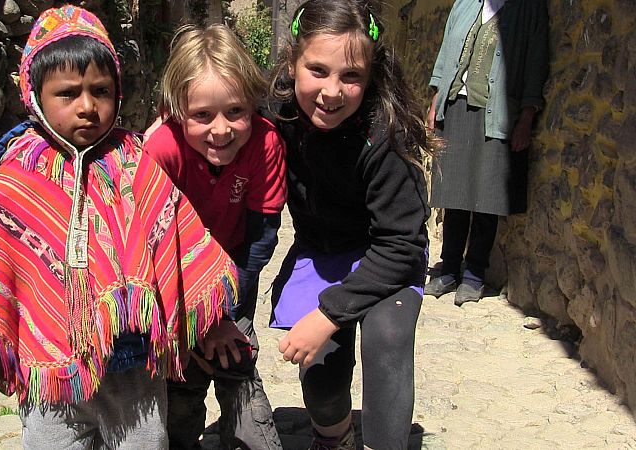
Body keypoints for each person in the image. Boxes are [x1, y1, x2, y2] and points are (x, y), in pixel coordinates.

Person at [0, 6, 238, 449]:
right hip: (50, 376)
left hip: (132, 368)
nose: (87, 107)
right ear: (35, 96)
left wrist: (209, 322)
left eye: (101, 90)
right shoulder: (22, 172)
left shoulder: (134, 163)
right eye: (68, 93)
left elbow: (173, 240)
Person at [264, 0, 440, 449]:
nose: (331, 91)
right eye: (317, 70)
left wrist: (328, 313)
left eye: (351, 76)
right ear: (292, 61)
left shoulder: (386, 136)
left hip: (385, 256)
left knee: (386, 339)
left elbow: (401, 244)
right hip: (323, 251)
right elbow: (218, 117)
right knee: (321, 365)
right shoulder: (277, 110)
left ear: (370, 77)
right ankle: (334, 437)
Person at [142, 24, 286, 450]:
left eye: (236, 112)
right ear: (174, 110)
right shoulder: (162, 150)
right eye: (202, 115)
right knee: (180, 388)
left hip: (234, 273)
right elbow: (152, 246)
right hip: (171, 285)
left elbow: (260, 239)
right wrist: (196, 322)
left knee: (235, 360)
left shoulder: (265, 143)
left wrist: (223, 316)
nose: (221, 130)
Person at [425, 0, 549, 306]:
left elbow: (536, 63)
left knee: (487, 197)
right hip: (456, 106)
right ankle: (449, 268)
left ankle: (475, 275)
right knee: (454, 192)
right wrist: (435, 100)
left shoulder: (528, 9)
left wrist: (527, 116)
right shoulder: (464, 5)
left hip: (497, 113)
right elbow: (445, 57)